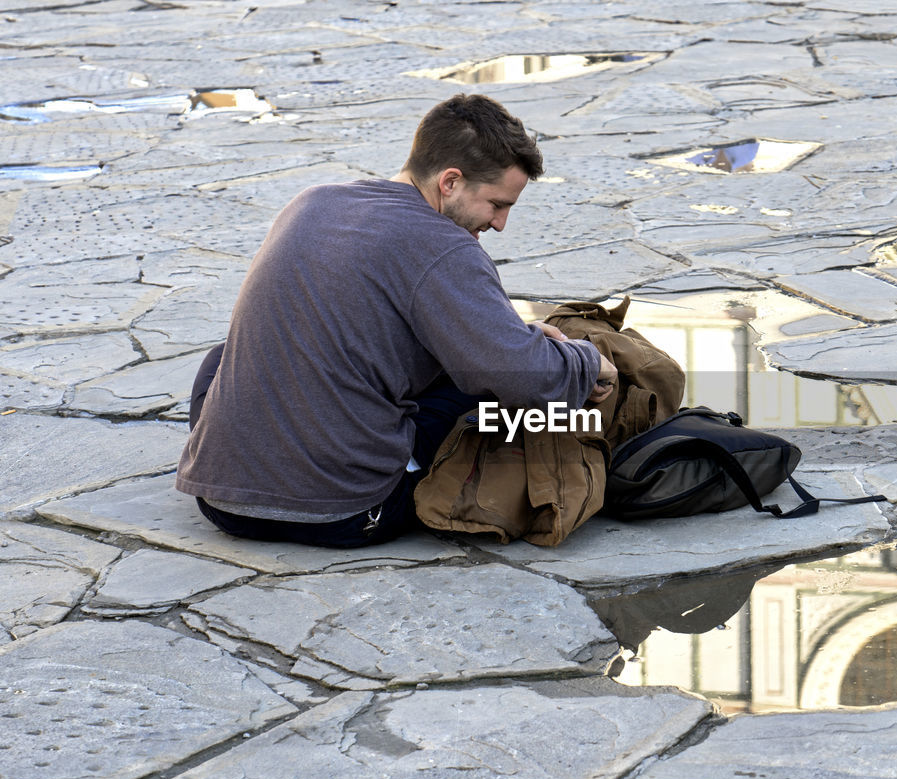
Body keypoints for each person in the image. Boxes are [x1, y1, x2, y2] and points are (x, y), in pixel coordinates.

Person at [177, 94, 617, 548]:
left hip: (219, 500)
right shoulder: (444, 246)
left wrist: (511, 338)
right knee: (493, 399)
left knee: (226, 357)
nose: (501, 223)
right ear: (450, 181)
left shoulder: (311, 202)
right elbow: (520, 376)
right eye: (496, 204)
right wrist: (587, 362)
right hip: (344, 512)